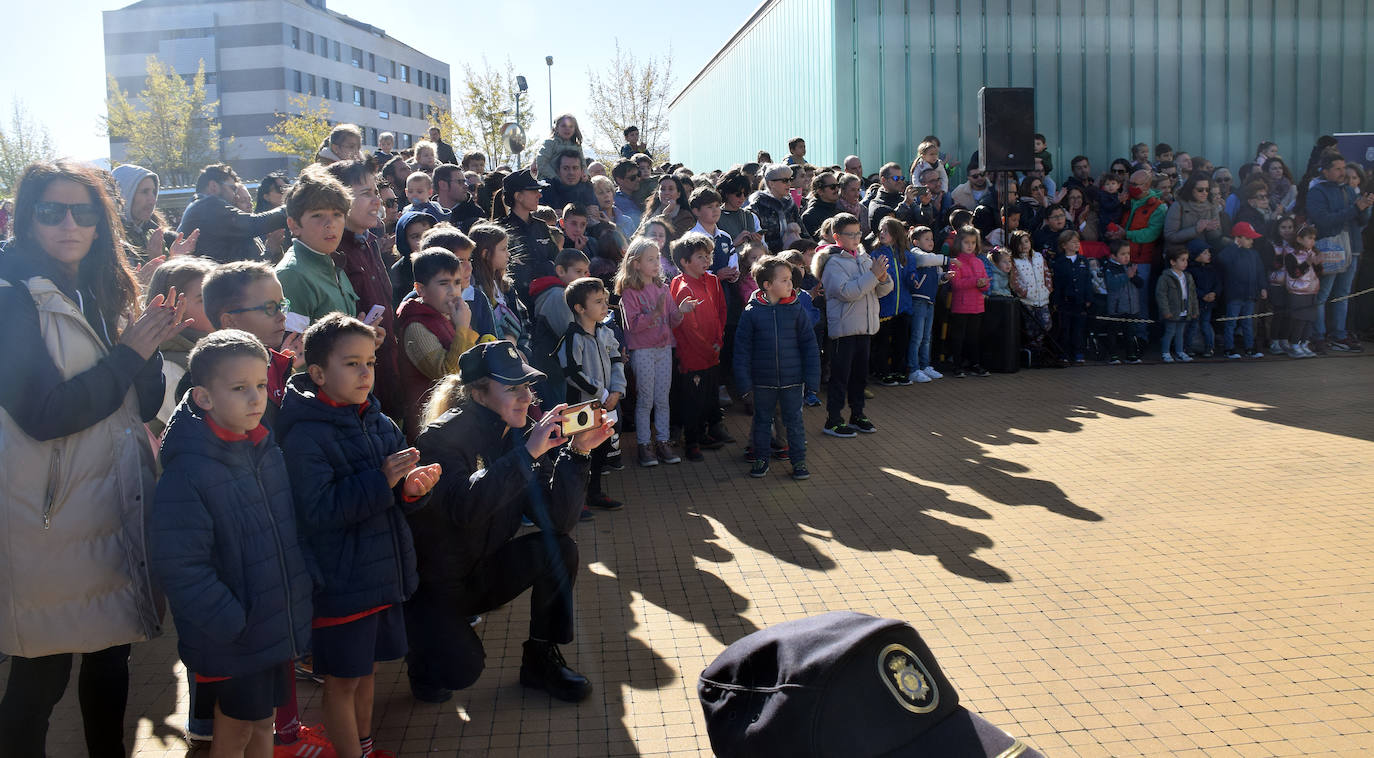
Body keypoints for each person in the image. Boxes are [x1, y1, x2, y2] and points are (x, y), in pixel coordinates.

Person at [0, 159, 189, 757]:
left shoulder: (106, 287)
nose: (68, 225)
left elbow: (139, 404)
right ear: (27, 217)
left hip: (115, 496)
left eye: (83, 212)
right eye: (51, 211)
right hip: (47, 517)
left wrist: (148, 347)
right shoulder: (9, 295)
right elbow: (43, 414)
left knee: (111, 660)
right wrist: (129, 353)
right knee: (41, 674)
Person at [404, 342, 611, 705]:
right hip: (435, 587)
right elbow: (466, 509)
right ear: (478, 393)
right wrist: (528, 454)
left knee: (560, 549)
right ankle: (421, 652)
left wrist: (578, 453)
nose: (527, 397)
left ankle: (540, 660)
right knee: (459, 670)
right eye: (513, 388)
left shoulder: (522, 433)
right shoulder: (440, 438)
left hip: (481, 572)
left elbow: (558, 521)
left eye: (527, 386)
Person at [276, 314, 440, 758]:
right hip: (339, 582)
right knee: (342, 681)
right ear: (317, 373)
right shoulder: (305, 435)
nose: (365, 373)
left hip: (378, 577)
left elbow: (395, 497)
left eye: (370, 362)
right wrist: (383, 480)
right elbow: (318, 511)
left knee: (366, 674)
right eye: (351, 364)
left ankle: (364, 748)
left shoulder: (379, 421)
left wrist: (412, 490)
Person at [148, 330, 314, 758]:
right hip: (234, 636)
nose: (256, 398)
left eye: (260, 385)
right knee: (236, 729)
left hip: (268, 626)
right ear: (203, 398)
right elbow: (181, 567)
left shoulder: (264, 450)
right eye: (240, 388)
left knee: (262, 723)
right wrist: (233, 623)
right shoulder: (188, 472)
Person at [327, 160, 403, 417]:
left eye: (375, 192)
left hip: (388, 376)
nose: (377, 201)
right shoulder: (332, 252)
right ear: (339, 200)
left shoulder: (370, 242)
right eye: (365, 193)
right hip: (357, 389)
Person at [734, 254, 819, 481]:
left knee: (794, 423)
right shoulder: (752, 312)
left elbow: (809, 346)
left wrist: (812, 380)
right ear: (767, 285)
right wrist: (744, 385)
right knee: (762, 422)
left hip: (793, 381)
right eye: (784, 280)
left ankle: (799, 460)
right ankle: (761, 459)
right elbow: (742, 351)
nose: (790, 284)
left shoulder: (796, 309)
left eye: (790, 279)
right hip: (763, 382)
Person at [814, 213, 891, 436]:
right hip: (844, 330)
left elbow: (883, 291)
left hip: (865, 327)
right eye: (851, 234)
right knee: (840, 376)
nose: (856, 238)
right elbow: (847, 292)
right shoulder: (833, 263)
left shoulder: (864, 258)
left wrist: (883, 278)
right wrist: (874, 276)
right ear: (837, 237)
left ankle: (857, 414)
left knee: (860, 375)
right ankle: (833, 419)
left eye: (858, 233)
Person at [556, 277, 627, 512]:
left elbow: (617, 360)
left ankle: (594, 493)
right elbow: (572, 373)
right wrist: (602, 392)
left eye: (604, 300)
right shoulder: (572, 337)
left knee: (601, 450)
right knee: (579, 452)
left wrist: (617, 390)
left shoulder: (605, 331)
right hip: (582, 407)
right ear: (580, 308)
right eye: (598, 302)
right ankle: (576, 500)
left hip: (608, 403)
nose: (605, 305)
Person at [396, 246, 480, 441]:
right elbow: (447, 374)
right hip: (432, 429)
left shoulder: (447, 316)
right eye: (444, 284)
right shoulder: (416, 326)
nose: (453, 291)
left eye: (457, 283)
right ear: (420, 289)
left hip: (457, 420)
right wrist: (463, 329)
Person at [616, 238, 686, 467]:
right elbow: (633, 326)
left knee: (662, 399)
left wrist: (682, 311)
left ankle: (663, 441)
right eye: (650, 259)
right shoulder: (629, 292)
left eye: (657, 258)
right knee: (646, 399)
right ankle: (644, 445)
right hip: (643, 351)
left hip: (664, 348)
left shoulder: (663, 288)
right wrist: (655, 313)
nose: (657, 263)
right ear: (636, 264)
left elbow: (673, 319)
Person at [670, 233, 730, 460]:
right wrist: (708, 349)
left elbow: (721, 311)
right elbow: (688, 327)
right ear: (685, 262)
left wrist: (718, 340)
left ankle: (704, 434)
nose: (707, 260)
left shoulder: (713, 281)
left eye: (708, 255)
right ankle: (691, 442)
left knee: (708, 396)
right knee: (692, 399)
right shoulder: (682, 286)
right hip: (692, 355)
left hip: (712, 350)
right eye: (700, 256)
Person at [1306, 150, 1372, 352]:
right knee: (1323, 294)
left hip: (1352, 248)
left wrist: (1365, 207)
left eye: (1343, 168)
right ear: (1325, 171)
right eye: (1337, 169)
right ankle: (1318, 336)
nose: (1342, 172)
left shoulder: (1349, 190)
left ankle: (1339, 335)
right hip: (1330, 248)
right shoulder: (1317, 192)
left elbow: (1361, 221)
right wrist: (1355, 209)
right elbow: (1323, 220)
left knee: (1343, 294)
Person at [274, 165, 359, 323]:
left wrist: (362, 334)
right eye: (318, 215)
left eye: (337, 214)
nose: (330, 224)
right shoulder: (292, 274)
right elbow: (291, 339)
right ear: (294, 225)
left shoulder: (331, 261)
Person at [144, 256, 215, 435]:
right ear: (173, 309)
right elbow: (201, 431)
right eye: (204, 298)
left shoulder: (215, 350)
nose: (219, 305)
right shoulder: (167, 368)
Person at [179, 163, 288, 263]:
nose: (236, 196)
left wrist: (270, 251)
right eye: (233, 189)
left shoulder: (197, 207)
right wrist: (290, 207)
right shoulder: (207, 205)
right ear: (213, 186)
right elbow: (253, 223)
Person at [529, 248, 590, 407]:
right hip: (552, 368)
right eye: (578, 272)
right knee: (558, 410)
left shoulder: (561, 293)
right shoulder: (558, 295)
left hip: (556, 366)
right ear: (561, 271)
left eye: (585, 272)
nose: (583, 277)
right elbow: (569, 333)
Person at [500, 169, 559, 304]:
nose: (539, 195)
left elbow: (556, 260)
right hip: (518, 299)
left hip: (547, 296)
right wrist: (545, 267)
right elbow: (512, 270)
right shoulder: (501, 229)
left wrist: (536, 267)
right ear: (518, 196)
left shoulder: (541, 226)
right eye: (533, 191)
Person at [1121, 169, 1167, 334]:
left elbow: (1151, 234)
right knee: (1124, 299)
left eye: (1135, 184)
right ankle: (1127, 335)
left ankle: (1141, 335)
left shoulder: (1158, 207)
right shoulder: (1127, 201)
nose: (1131, 187)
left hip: (1142, 261)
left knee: (1140, 300)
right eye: (1130, 183)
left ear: (1147, 186)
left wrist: (1126, 234)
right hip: (1124, 258)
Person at [870, 217, 916, 385]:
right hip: (884, 307)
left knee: (901, 342)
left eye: (886, 231)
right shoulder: (876, 254)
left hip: (904, 307)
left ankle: (900, 371)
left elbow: (911, 275)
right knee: (882, 342)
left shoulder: (907, 255)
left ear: (896, 234)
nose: (882, 234)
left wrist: (914, 279)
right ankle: (882, 372)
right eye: (881, 230)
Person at [1216, 222, 1269, 359]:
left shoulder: (1254, 254)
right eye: (1248, 238)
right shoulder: (1230, 252)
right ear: (1238, 238)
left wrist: (1263, 287)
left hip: (1250, 295)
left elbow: (1260, 272)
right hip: (1234, 295)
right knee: (1231, 322)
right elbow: (1222, 259)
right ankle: (1229, 348)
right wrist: (1234, 246)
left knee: (1248, 323)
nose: (1252, 241)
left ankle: (1249, 348)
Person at [944, 226, 991, 376]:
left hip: (977, 306)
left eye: (973, 242)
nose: (970, 245)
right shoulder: (955, 262)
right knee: (958, 337)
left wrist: (983, 284)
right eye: (966, 242)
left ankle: (974, 364)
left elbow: (986, 285)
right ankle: (957, 365)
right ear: (959, 243)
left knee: (974, 337)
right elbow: (956, 284)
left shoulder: (979, 262)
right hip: (961, 306)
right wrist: (976, 282)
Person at [906, 226, 945, 383]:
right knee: (917, 337)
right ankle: (913, 369)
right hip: (918, 300)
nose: (931, 242)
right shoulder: (916, 253)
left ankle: (925, 366)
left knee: (927, 337)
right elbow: (925, 260)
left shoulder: (933, 258)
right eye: (926, 239)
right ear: (916, 242)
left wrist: (945, 277)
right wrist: (948, 260)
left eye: (932, 239)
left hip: (930, 301)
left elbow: (938, 278)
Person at [1283, 225, 1322, 357]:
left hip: (1312, 291)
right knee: (1299, 320)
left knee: (1310, 320)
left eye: (1314, 239)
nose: (1312, 241)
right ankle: (1294, 344)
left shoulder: (1313, 253)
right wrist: (1307, 263)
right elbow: (1294, 273)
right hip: (1298, 292)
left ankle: (1304, 343)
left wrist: (1318, 264)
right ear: (1299, 239)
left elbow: (1319, 273)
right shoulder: (1291, 255)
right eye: (1309, 238)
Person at [749, 163, 807, 252]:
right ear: (771, 183)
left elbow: (804, 233)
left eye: (790, 179)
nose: (789, 184)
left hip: (792, 254)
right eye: (785, 180)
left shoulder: (791, 205)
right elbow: (754, 240)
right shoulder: (757, 206)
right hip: (767, 255)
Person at [1103, 240, 1143, 363]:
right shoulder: (1109, 268)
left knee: (1130, 332)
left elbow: (1140, 284)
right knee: (1113, 332)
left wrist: (1133, 276)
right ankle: (1113, 355)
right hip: (1116, 308)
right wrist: (1127, 276)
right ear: (1113, 256)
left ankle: (1130, 355)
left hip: (1131, 308)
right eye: (1123, 254)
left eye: (1128, 253)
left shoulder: (1130, 267)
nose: (1127, 257)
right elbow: (1112, 285)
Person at [1156, 248, 1198, 363]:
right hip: (1172, 310)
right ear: (1172, 262)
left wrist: (1194, 310)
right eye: (1182, 260)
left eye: (1186, 260)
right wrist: (1165, 311)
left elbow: (1193, 295)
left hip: (1184, 309)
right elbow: (1161, 295)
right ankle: (1165, 352)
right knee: (1170, 331)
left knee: (1180, 332)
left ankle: (1180, 351)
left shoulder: (1188, 276)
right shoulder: (1165, 277)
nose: (1185, 263)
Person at [1186, 245, 1220, 357]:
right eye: (1205, 253)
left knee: (1205, 324)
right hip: (1195, 303)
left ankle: (1209, 348)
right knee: (1193, 325)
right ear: (1196, 255)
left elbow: (1218, 283)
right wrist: (1202, 295)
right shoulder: (1190, 270)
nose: (1209, 255)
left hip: (1208, 303)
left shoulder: (1212, 269)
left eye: (1208, 252)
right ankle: (1188, 347)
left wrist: (1214, 293)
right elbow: (1190, 287)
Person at [433, 163, 484, 232]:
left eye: (465, 182)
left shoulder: (475, 213)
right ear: (443, 185)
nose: (466, 186)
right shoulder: (427, 212)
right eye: (460, 182)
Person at [868, 162, 918, 229]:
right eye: (896, 178)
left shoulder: (904, 199)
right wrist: (905, 204)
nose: (900, 181)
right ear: (883, 180)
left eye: (902, 178)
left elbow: (923, 220)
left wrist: (925, 205)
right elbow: (889, 224)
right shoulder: (876, 204)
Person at [535, 114, 584, 181]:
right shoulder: (550, 143)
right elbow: (541, 162)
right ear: (556, 128)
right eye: (563, 126)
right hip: (549, 180)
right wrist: (555, 177)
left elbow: (583, 163)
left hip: (571, 180)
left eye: (571, 126)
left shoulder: (576, 146)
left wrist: (585, 173)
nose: (567, 129)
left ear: (575, 129)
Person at [801, 171, 843, 238]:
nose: (837, 189)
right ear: (820, 191)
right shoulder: (810, 216)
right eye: (832, 187)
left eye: (838, 185)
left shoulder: (840, 210)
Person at [611, 160, 646, 236]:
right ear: (619, 180)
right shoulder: (613, 201)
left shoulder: (646, 192)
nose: (638, 179)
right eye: (632, 178)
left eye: (638, 174)